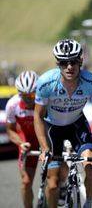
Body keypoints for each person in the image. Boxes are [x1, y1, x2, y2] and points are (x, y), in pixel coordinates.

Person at [34, 38, 92, 208]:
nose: (69, 67)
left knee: (91, 166)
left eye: (74, 61)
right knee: (53, 184)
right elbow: (38, 117)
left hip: (76, 124)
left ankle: (88, 203)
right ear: (57, 63)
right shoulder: (46, 83)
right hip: (53, 128)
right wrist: (45, 148)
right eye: (64, 63)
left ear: (80, 61)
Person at [5, 70, 39, 208]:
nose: (28, 98)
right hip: (27, 143)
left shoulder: (45, 102)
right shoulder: (12, 105)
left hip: (44, 141)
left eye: (31, 94)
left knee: (53, 180)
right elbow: (10, 130)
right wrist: (20, 143)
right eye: (24, 95)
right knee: (25, 182)